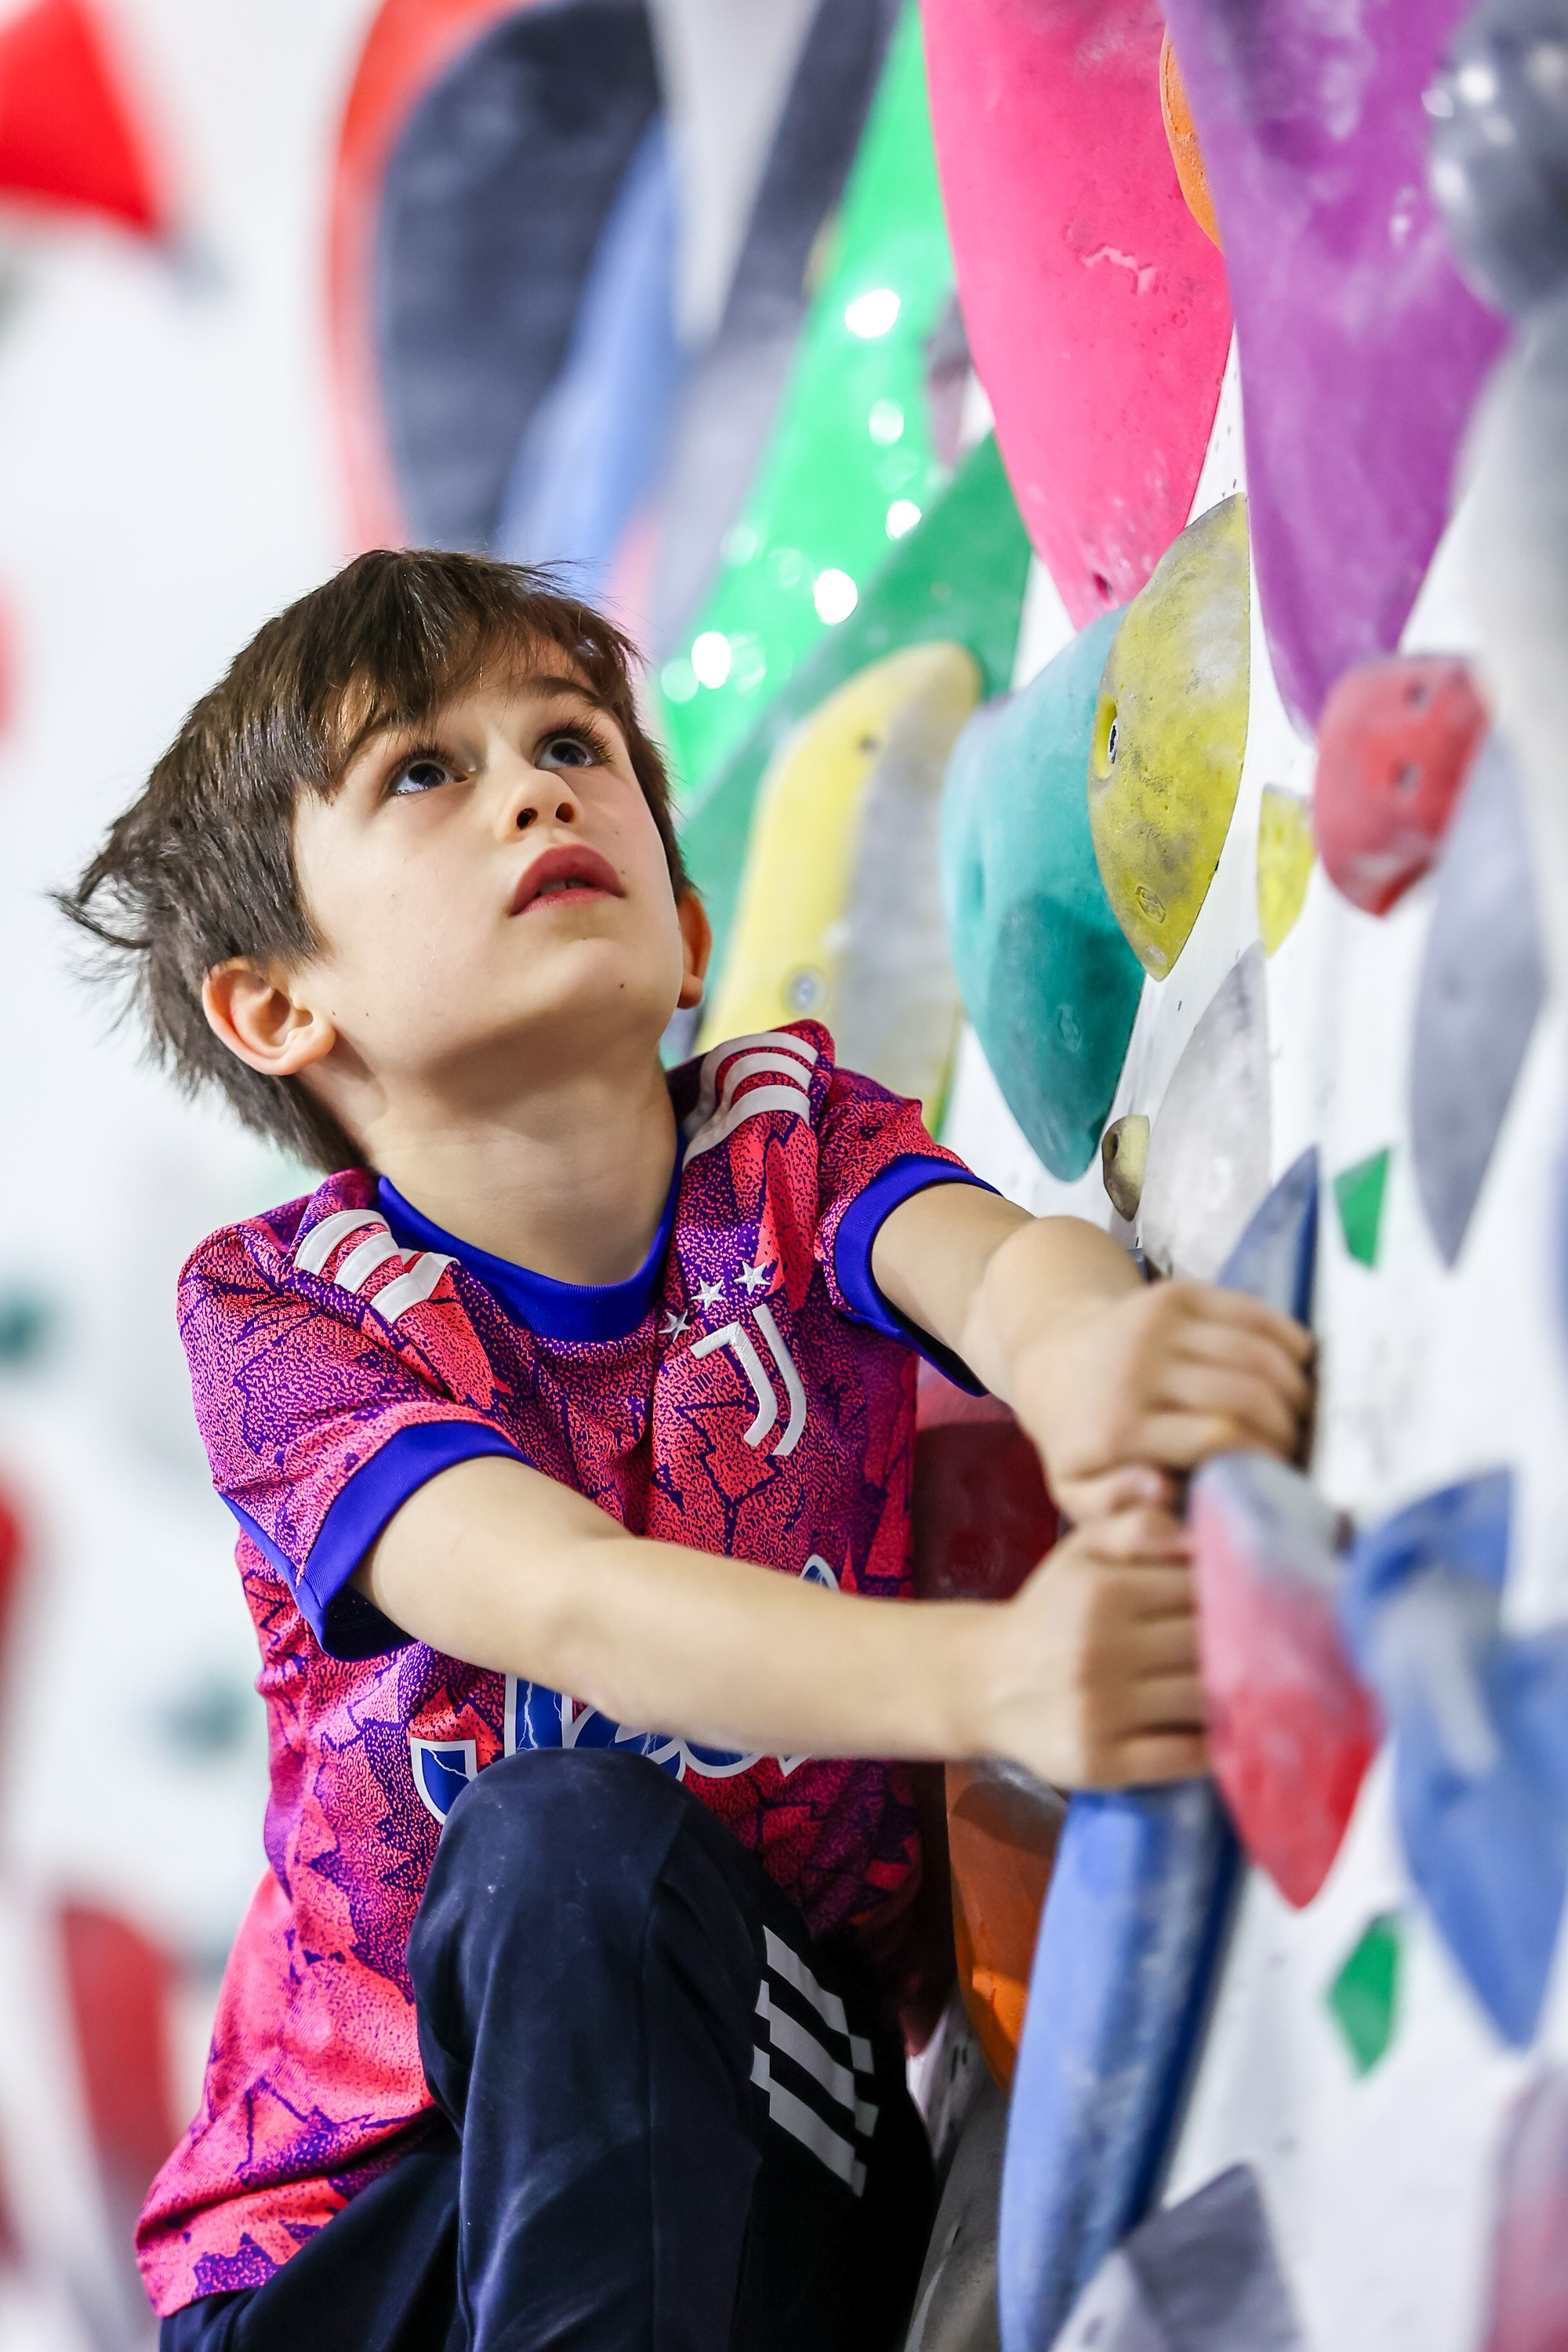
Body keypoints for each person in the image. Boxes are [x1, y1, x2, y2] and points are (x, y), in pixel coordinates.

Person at [62, 551, 1312, 2352]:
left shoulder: (780, 1141)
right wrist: (999, 1677)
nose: (535, 784)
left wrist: (1094, 1350)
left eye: (572, 741)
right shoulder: (288, 1319)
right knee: (552, 1842)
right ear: (274, 1006)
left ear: (689, 932)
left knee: (590, 1870)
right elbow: (559, 1602)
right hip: (357, 2251)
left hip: (746, 2103)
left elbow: (996, 1265)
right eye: (426, 769)